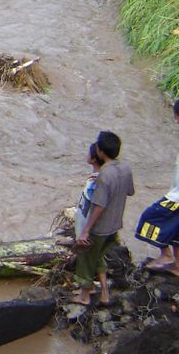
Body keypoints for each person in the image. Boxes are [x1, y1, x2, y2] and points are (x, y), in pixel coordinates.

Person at [75, 131, 135, 305]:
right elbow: (130, 191)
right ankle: (105, 293)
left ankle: (85, 296)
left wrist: (86, 231)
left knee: (85, 257)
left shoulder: (104, 176)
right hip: (115, 224)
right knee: (99, 257)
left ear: (100, 152)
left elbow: (99, 206)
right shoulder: (125, 168)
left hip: (100, 228)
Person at [135, 100, 179, 275]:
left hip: (177, 196)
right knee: (176, 229)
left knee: (149, 217)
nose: (175, 120)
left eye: (176, 116)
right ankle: (176, 266)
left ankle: (166, 255)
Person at [74, 143, 103, 238]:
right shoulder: (98, 177)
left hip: (85, 221)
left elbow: (96, 207)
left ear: (94, 159)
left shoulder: (95, 182)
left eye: (89, 153)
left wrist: (85, 231)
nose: (87, 155)